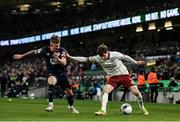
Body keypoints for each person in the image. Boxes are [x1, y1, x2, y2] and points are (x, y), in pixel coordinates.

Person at [66, 44, 149, 115]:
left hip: (124, 75)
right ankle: (103, 110)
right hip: (113, 77)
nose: (103, 58)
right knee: (105, 91)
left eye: (104, 55)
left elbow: (126, 57)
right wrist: (70, 57)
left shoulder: (115, 54)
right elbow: (85, 59)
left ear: (107, 52)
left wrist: (135, 62)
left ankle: (142, 107)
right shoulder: (98, 57)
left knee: (136, 93)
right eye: (101, 56)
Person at [13, 35, 79, 113]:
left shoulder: (62, 50)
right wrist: (22, 55)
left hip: (61, 74)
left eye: (59, 45)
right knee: (52, 82)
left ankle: (71, 107)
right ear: (51, 44)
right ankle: (50, 104)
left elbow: (64, 63)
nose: (58, 47)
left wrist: (58, 59)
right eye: (56, 46)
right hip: (52, 73)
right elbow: (33, 52)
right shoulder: (45, 50)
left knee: (70, 93)